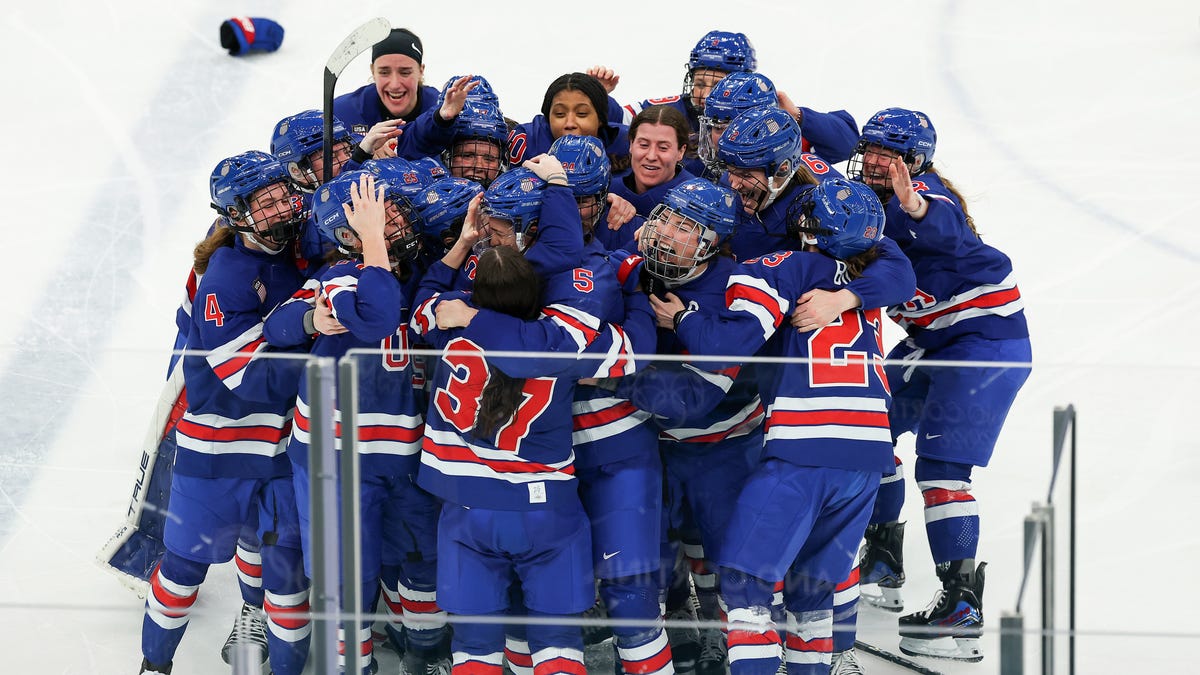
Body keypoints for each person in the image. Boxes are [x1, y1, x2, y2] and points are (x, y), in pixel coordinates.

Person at [650, 178, 911, 675]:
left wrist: (683, 319)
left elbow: (730, 344)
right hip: (867, 457)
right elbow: (899, 268)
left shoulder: (783, 266)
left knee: (747, 588)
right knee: (812, 593)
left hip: (803, 448)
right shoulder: (872, 274)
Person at [412, 160, 646, 675]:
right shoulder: (556, 337)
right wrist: (636, 298)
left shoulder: (445, 317)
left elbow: (424, 301)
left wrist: (460, 253)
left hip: (463, 506)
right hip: (545, 508)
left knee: (474, 644)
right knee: (557, 641)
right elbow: (629, 352)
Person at [842, 108, 1031, 663]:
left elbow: (941, 221)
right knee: (865, 422)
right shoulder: (860, 201)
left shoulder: (923, 196)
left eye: (890, 152)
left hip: (983, 348)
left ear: (917, 162)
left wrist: (913, 204)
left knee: (943, 471)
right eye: (871, 148)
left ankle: (961, 607)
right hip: (935, 343)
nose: (877, 160)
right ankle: (883, 556)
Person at [262, 170, 449, 674]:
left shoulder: (412, 270)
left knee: (421, 563)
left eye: (391, 212)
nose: (397, 219)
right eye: (380, 214)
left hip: (403, 454)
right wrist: (307, 320)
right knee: (345, 583)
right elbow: (373, 318)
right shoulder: (341, 276)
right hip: (336, 461)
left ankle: (424, 659)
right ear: (348, 231)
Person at [138, 151, 311, 675]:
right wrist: (310, 340)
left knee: (286, 574)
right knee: (185, 568)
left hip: (280, 454)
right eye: (266, 203)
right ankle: (154, 666)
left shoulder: (297, 254)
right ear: (236, 216)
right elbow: (251, 377)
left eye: (284, 195)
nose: (282, 209)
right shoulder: (227, 277)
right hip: (218, 453)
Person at [506, 72, 630, 175]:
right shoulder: (527, 140)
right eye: (560, 114)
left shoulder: (630, 144)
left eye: (582, 113)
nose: (570, 123)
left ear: (601, 119)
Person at [333, 28, 439, 138]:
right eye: (384, 72)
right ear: (373, 71)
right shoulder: (342, 112)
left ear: (420, 71)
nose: (395, 85)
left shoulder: (442, 109)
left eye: (405, 72)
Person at [547, 134, 639, 252]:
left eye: (580, 201)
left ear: (601, 197)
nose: (568, 211)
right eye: (560, 199)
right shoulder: (530, 222)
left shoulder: (632, 232)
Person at [610, 106, 697, 218]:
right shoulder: (609, 191)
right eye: (644, 145)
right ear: (631, 144)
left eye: (663, 148)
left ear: (681, 151)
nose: (651, 156)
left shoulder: (697, 201)